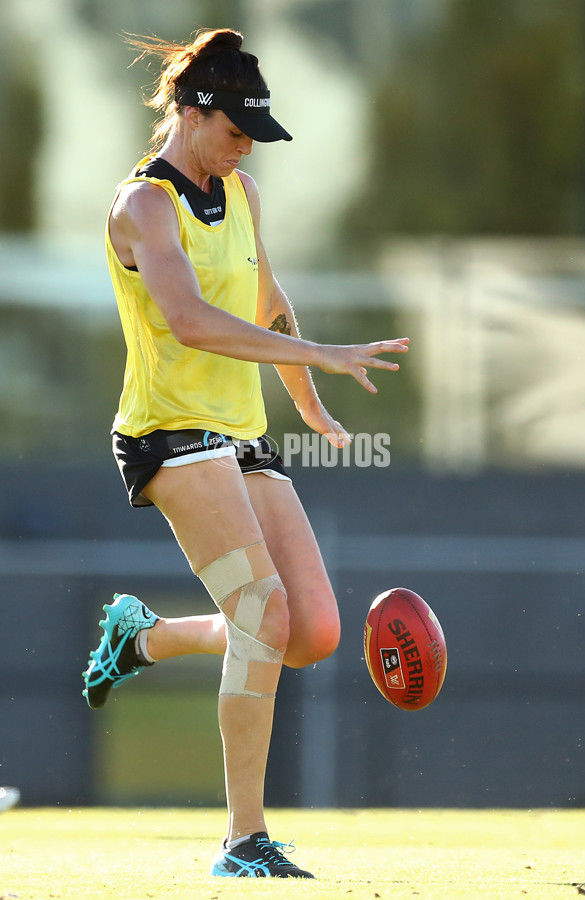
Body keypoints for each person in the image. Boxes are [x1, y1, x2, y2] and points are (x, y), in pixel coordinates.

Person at [82, 27, 409, 879]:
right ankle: (242, 840)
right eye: (233, 131)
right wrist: (323, 354)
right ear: (192, 111)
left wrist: (311, 400)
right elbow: (189, 320)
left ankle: (143, 639)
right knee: (262, 613)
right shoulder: (142, 206)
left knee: (312, 632)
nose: (241, 150)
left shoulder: (244, 191)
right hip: (168, 432)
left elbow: (266, 301)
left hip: (239, 434)